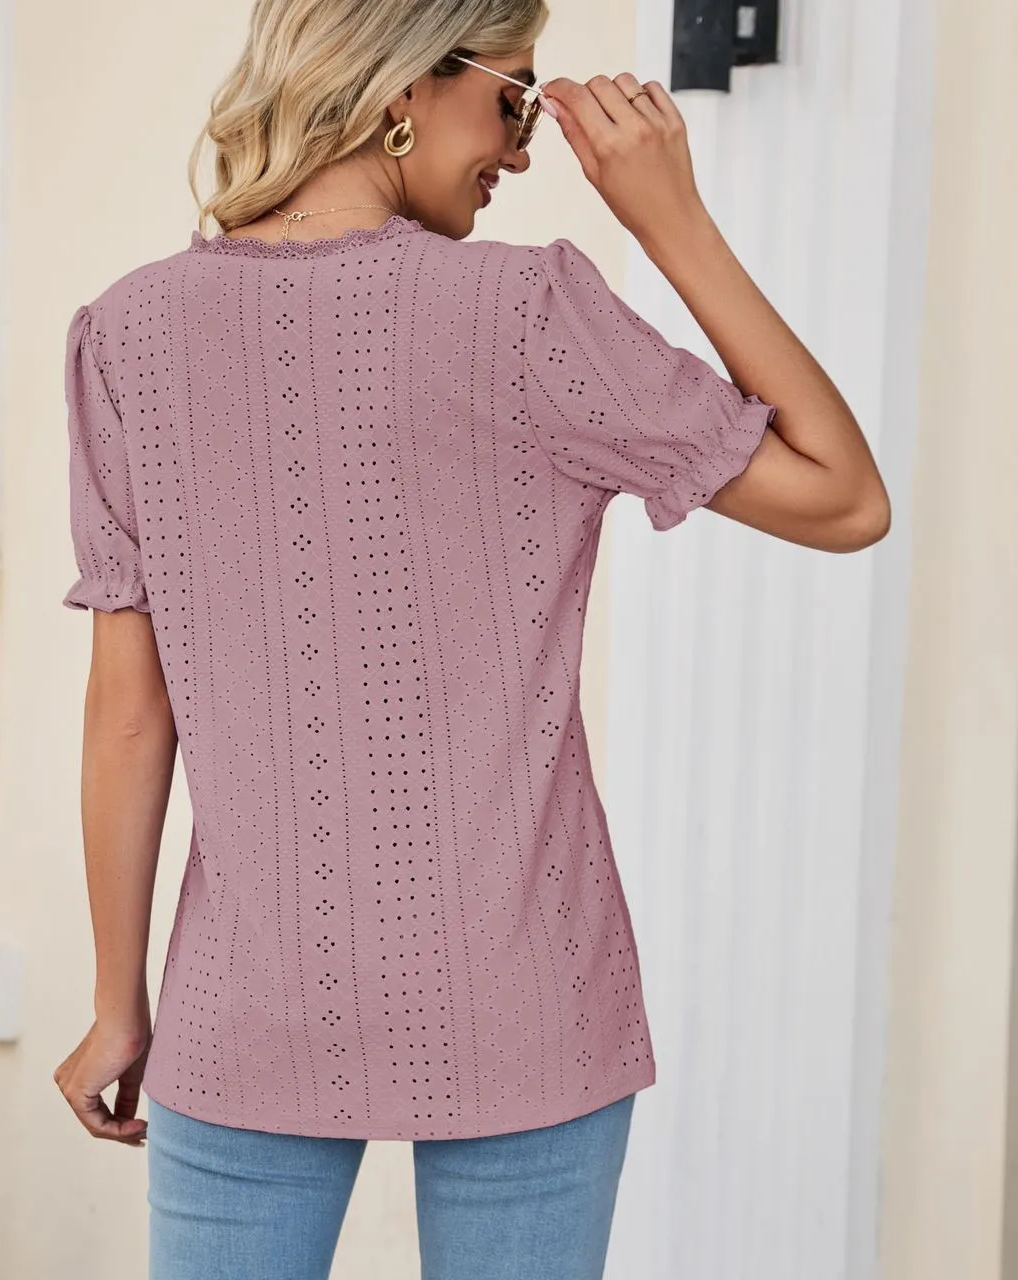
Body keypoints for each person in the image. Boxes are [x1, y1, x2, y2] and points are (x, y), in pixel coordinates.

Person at [51, 1, 890, 1276]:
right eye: (513, 100)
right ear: (406, 85)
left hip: (246, 997)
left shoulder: (126, 334)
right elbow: (843, 495)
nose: (523, 147)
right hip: (525, 991)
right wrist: (670, 222)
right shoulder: (528, 311)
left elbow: (127, 711)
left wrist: (118, 1001)